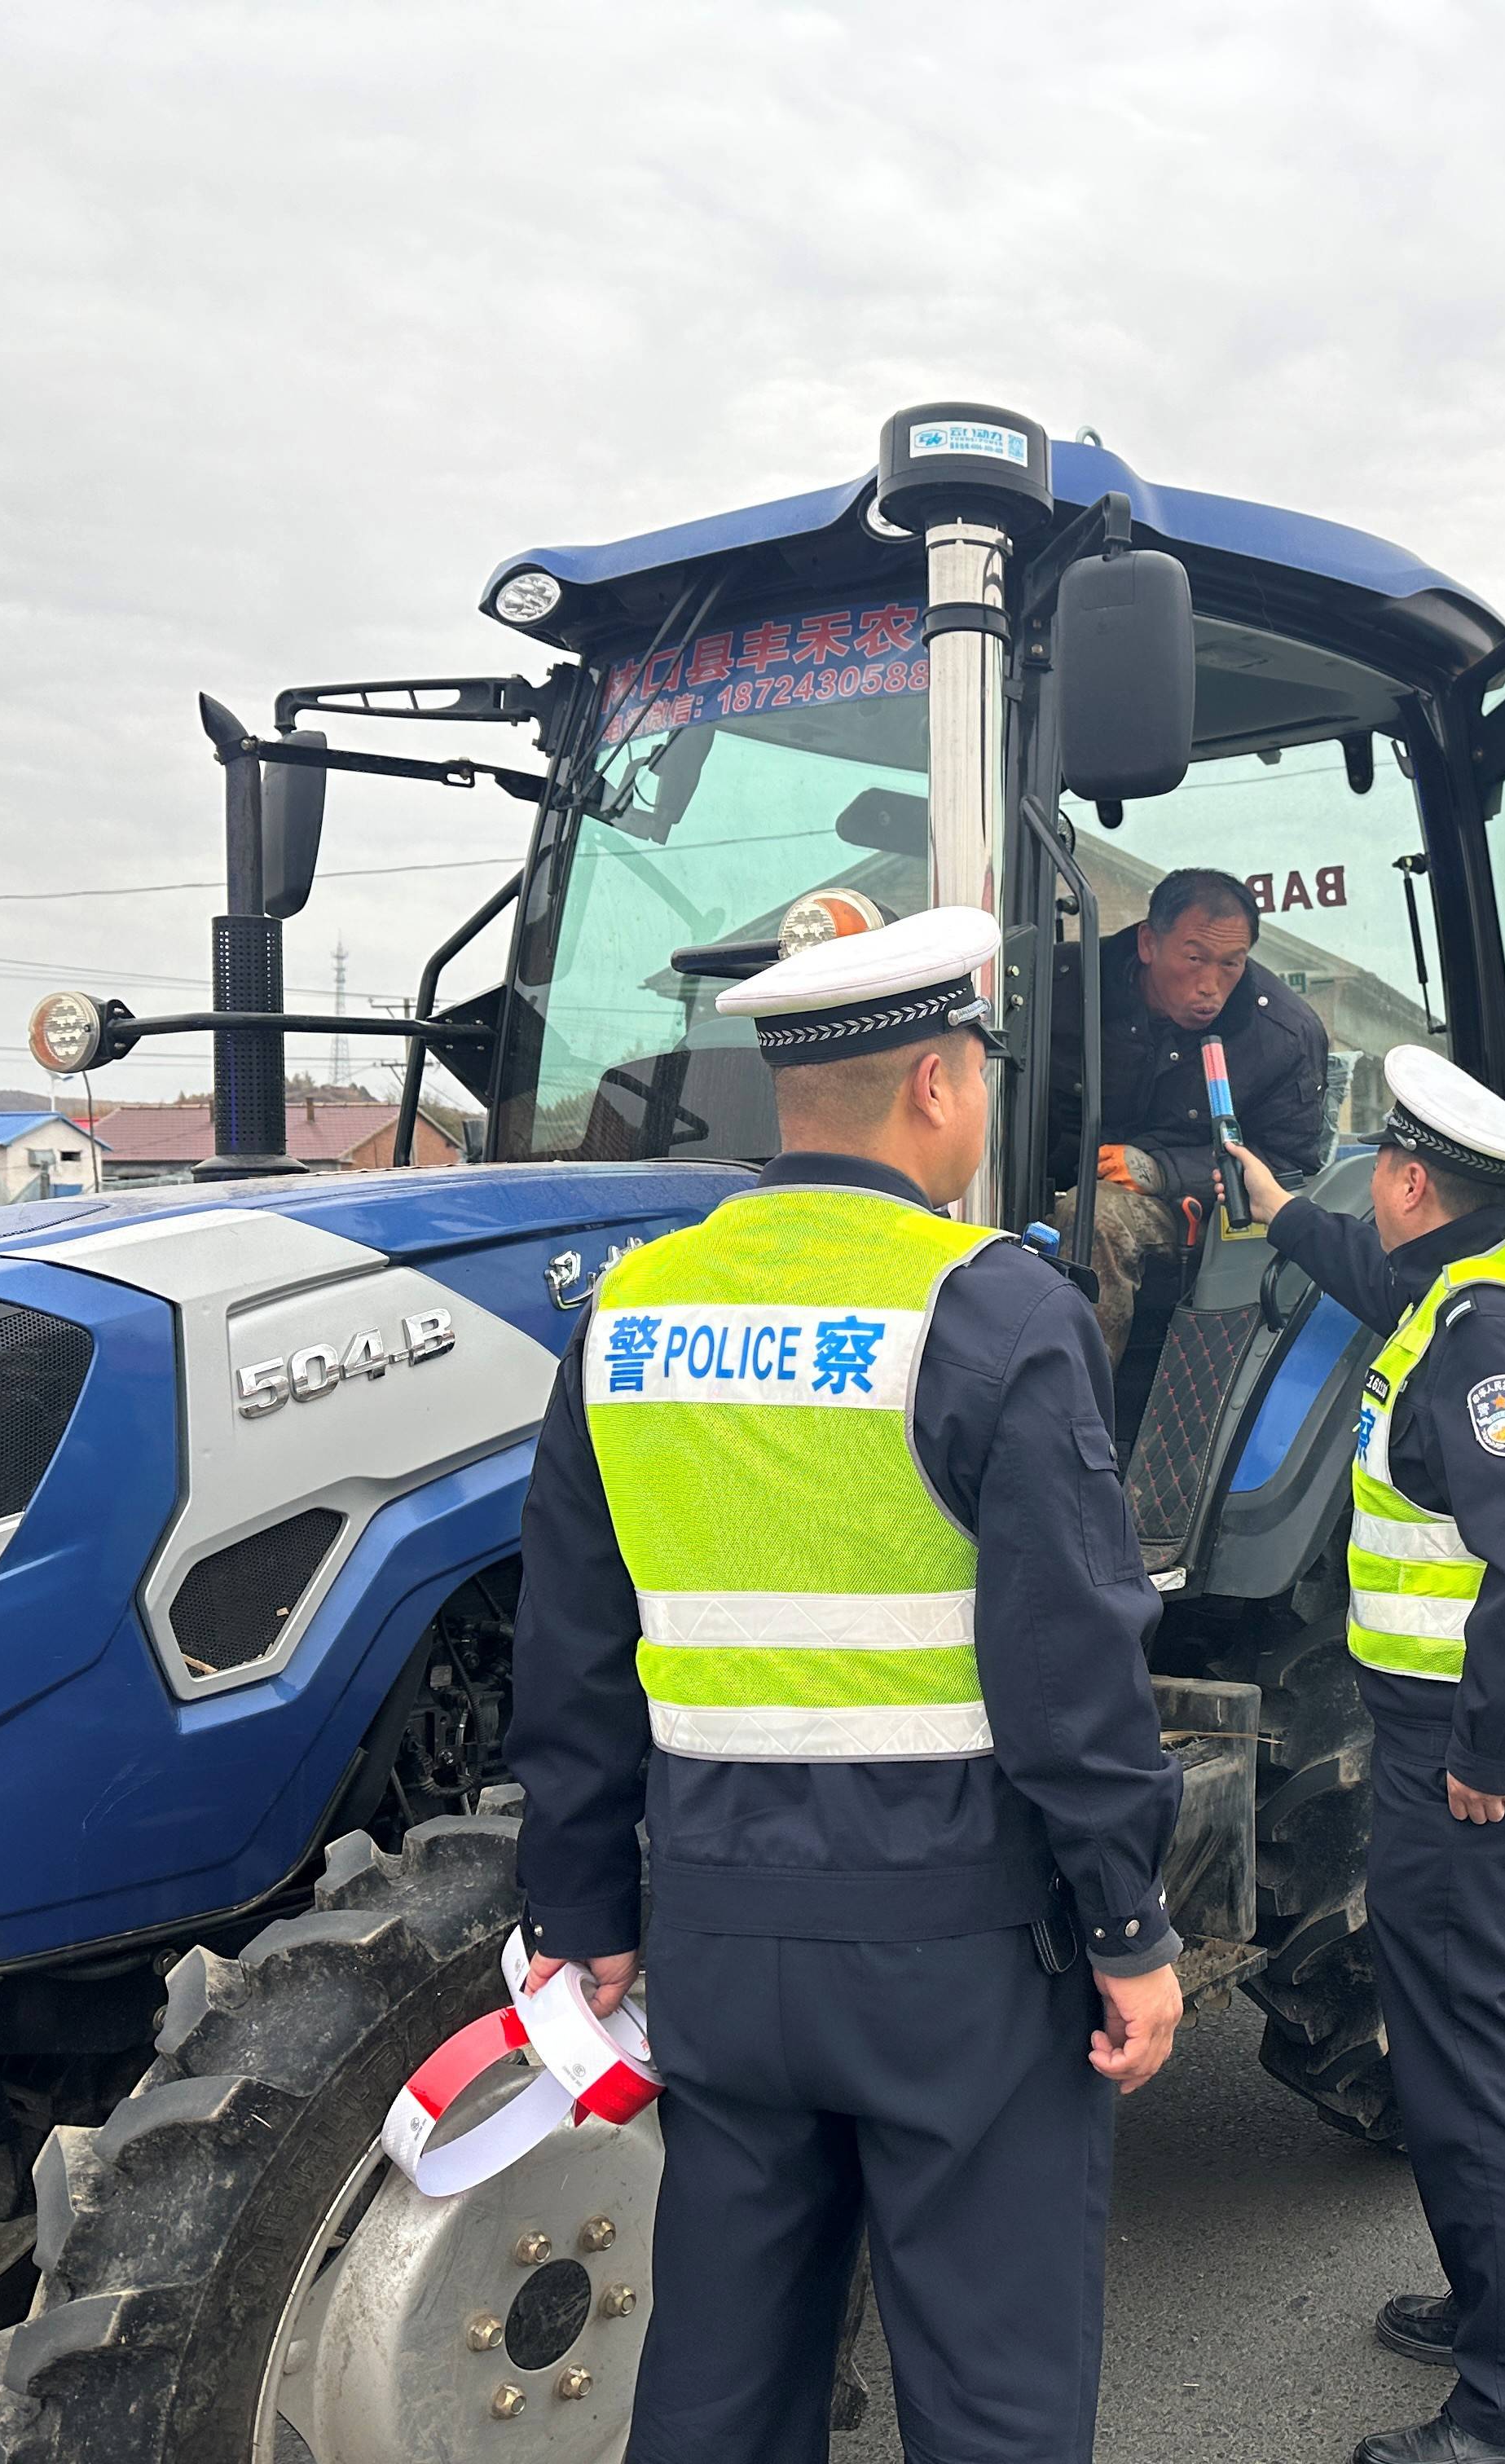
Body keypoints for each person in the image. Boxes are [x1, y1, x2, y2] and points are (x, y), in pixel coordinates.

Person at [509, 905, 1185, 2464]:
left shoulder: (630, 1313)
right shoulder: (994, 1308)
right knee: (992, 2394)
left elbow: (573, 1645)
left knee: (721, 2382)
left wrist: (585, 1904)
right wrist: (1129, 1926)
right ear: (938, 1082)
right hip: (959, 1955)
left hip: (718, 1939)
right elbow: (1070, 1670)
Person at [1228, 1047, 1505, 2464]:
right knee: (1450, 2046)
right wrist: (1280, 1211)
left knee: (1470, 2066)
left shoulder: (1487, 1341)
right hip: (1467, 1739)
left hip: (1479, 1756)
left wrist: (1485, 1760)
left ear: (1403, 1179)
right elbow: (1367, 1271)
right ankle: (1487, 2305)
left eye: (1374, 1175)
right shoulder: (1462, 1277)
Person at [1050, 865, 1331, 1360]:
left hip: (1198, 1209)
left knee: (1094, 1214)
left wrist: (1162, 1170)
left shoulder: (1283, 1035)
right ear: (1148, 944)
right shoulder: (1058, 985)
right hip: (1040, 1179)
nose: (1210, 986)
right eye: (1195, 958)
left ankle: (1074, 1400)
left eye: (1231, 964)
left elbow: (1289, 1165)